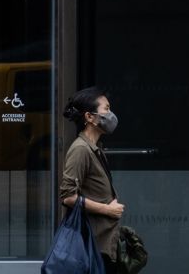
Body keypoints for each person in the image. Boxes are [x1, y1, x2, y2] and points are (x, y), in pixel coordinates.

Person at [60, 86, 127, 273]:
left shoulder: (94, 148)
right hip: (91, 245)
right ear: (89, 117)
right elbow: (67, 197)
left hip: (102, 242)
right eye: (106, 109)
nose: (111, 114)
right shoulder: (80, 149)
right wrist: (107, 209)